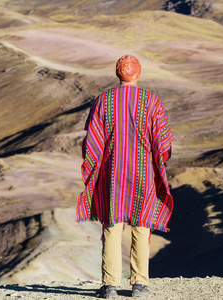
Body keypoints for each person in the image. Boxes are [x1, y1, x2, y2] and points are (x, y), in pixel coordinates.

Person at [76, 55, 173, 298]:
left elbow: (92, 142)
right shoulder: (151, 101)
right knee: (141, 227)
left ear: (118, 73)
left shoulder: (103, 101)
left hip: (113, 175)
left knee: (112, 227)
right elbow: (163, 142)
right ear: (137, 73)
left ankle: (109, 287)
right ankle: (139, 285)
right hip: (143, 175)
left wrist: (94, 167)